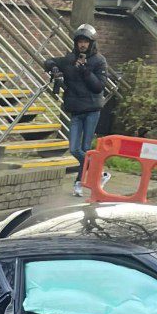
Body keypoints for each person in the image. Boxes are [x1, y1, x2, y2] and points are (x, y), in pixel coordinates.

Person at [45, 24, 109, 196]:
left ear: (91, 43)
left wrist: (86, 71)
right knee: (74, 149)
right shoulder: (70, 59)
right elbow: (49, 61)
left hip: (92, 110)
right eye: (80, 41)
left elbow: (99, 87)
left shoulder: (99, 61)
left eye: (86, 42)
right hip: (75, 110)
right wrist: (55, 69)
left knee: (86, 148)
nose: (82, 45)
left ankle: (79, 183)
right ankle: (100, 173)